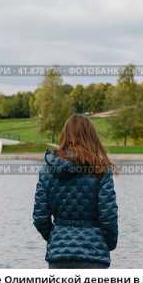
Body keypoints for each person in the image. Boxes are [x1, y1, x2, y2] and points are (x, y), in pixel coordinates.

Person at [32, 114, 118, 269]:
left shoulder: (47, 170)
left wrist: (56, 238)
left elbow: (40, 218)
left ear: (64, 135)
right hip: (94, 256)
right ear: (91, 136)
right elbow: (108, 216)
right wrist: (106, 244)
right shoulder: (100, 170)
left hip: (59, 256)